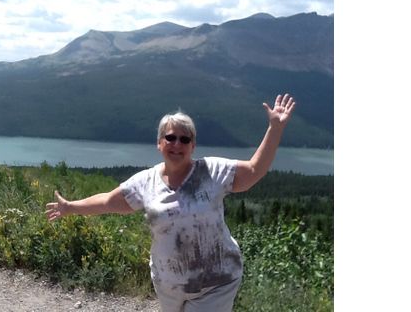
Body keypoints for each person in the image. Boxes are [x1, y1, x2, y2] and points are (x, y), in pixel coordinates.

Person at [45, 93, 296, 312]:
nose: (177, 143)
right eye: (170, 137)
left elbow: (253, 171)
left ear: (193, 145)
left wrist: (275, 129)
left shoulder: (212, 171)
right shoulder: (146, 182)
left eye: (184, 139)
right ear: (159, 143)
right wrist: (70, 207)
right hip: (169, 283)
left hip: (216, 281)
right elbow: (109, 201)